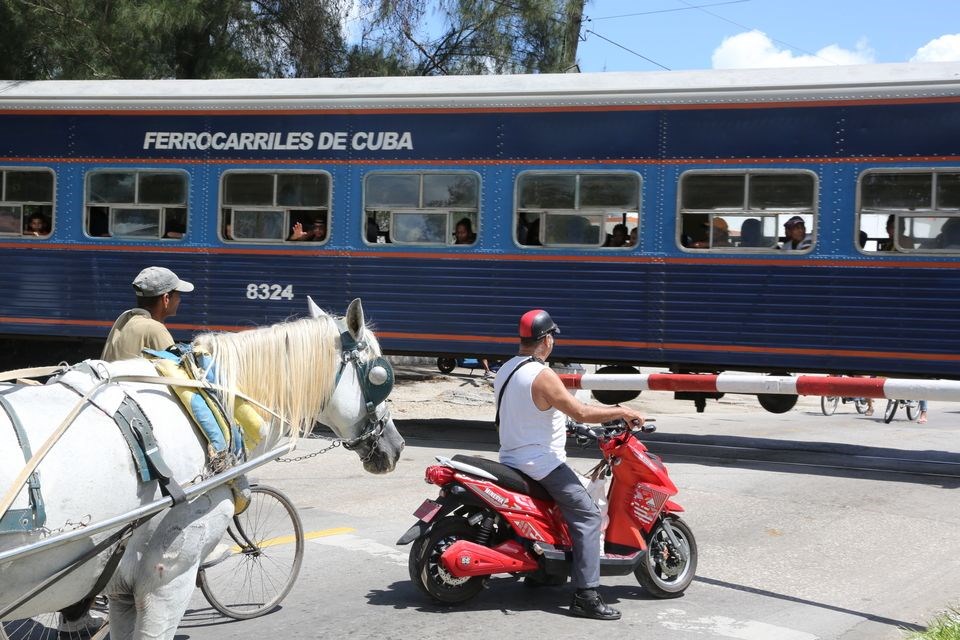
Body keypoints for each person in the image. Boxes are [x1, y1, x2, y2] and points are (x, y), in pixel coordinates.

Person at [495, 310, 645, 620]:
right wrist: (622, 411)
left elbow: (531, 411)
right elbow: (580, 411)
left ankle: (542, 572)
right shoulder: (542, 374)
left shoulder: (505, 369)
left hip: (510, 457)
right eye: (553, 337)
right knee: (588, 514)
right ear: (547, 340)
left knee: (552, 511)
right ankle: (586, 594)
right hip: (540, 463)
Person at [101, 266, 194, 361]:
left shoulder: (124, 317)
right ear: (166, 299)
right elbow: (176, 371)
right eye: (178, 295)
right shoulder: (155, 329)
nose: (179, 300)